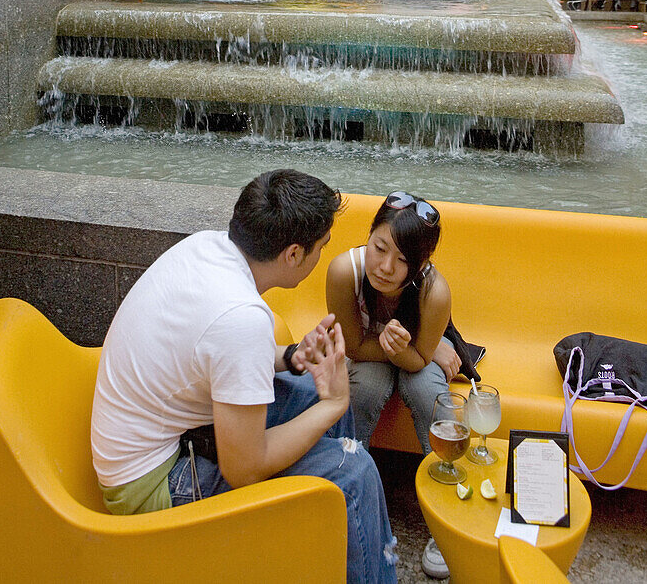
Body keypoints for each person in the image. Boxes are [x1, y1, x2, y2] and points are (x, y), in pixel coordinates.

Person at [91, 169, 398, 584]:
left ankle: (321, 554)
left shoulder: (207, 247)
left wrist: (291, 357)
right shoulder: (240, 317)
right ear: (293, 254)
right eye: (320, 248)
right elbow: (244, 469)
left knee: (310, 389)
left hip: (163, 434)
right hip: (150, 485)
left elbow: (213, 356)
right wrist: (334, 404)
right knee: (353, 470)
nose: (322, 255)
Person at [326, 192, 459, 581]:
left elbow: (417, 362)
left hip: (412, 353)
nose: (384, 267)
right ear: (367, 237)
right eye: (379, 247)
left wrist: (416, 352)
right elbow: (352, 346)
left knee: (427, 392)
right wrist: (413, 349)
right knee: (365, 384)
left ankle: (449, 519)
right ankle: (344, 495)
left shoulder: (435, 291)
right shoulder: (343, 271)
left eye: (402, 260)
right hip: (372, 351)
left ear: (419, 266)